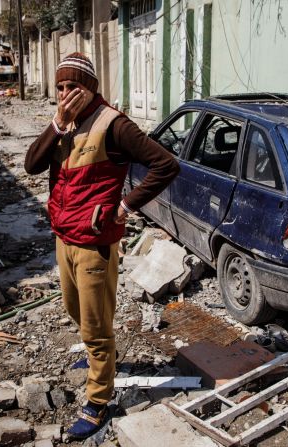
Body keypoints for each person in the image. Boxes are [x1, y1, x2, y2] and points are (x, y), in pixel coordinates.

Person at [25, 52, 180, 439]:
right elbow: (31, 165)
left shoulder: (113, 124)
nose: (65, 94)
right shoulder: (65, 122)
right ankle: (103, 360)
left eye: (72, 86)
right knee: (74, 310)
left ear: (90, 87)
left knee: (95, 327)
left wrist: (124, 207)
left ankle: (98, 401)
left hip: (95, 242)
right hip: (65, 237)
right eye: (60, 87)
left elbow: (166, 164)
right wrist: (58, 123)